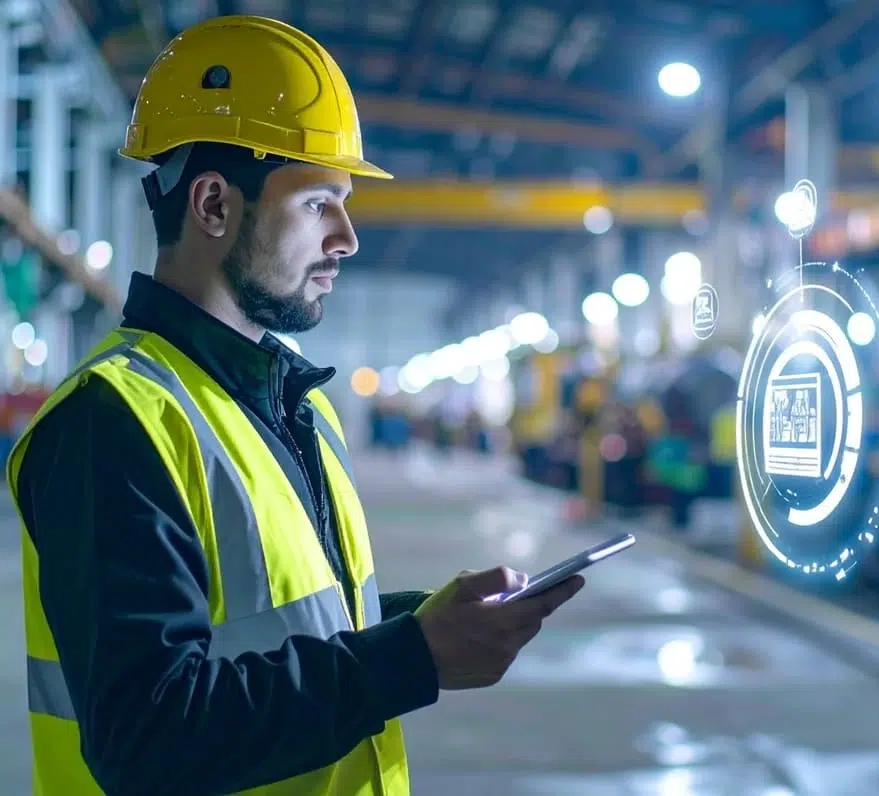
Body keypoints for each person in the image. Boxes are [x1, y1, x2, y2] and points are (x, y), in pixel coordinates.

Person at [6, 15, 583, 796]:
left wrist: (423, 623)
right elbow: (148, 736)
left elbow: (285, 624)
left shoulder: (297, 408)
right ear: (213, 204)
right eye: (318, 202)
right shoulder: (113, 423)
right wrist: (414, 658)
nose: (347, 236)